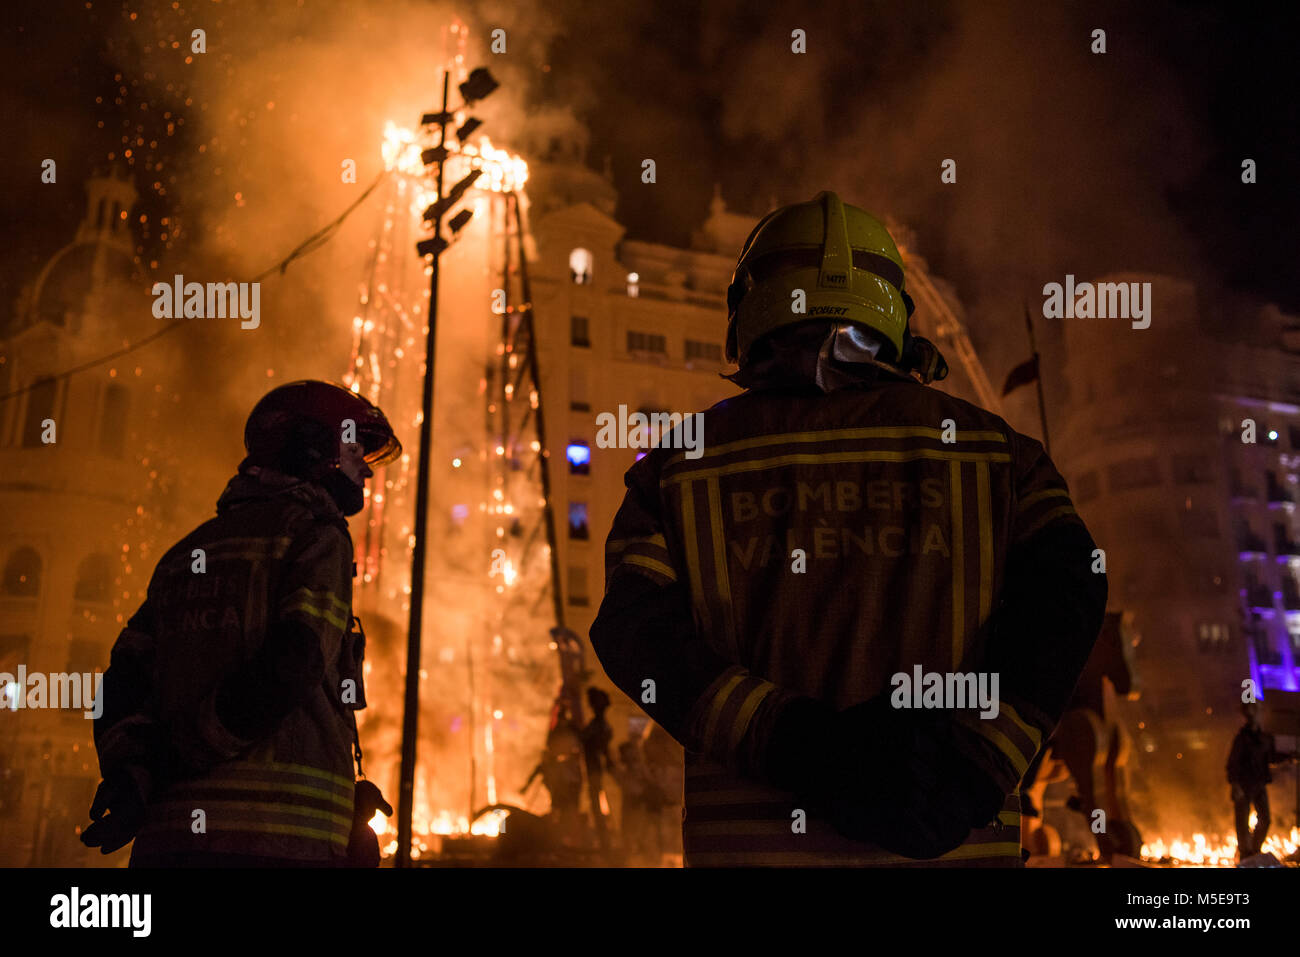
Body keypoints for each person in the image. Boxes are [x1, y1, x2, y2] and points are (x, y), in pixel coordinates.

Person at [590, 192, 1108, 866]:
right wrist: (973, 765)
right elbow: (1070, 596)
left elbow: (635, 633)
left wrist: (795, 742)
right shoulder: (1001, 457)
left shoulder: (676, 469)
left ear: (749, 311)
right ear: (893, 314)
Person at [81, 380, 401, 866]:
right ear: (315, 448)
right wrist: (188, 750)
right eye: (355, 448)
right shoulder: (316, 536)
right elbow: (295, 664)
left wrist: (135, 774)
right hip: (279, 845)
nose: (367, 473)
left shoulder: (186, 553)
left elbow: (121, 682)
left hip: (168, 845)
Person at [1227, 701, 1295, 860]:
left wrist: (1289, 756)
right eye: (1249, 713)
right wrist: (1235, 784)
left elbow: (1270, 757)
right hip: (1243, 784)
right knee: (1242, 821)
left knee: (1265, 818)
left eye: (1255, 712)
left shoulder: (1265, 738)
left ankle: (1254, 850)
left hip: (1259, 783)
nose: (1253, 716)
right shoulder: (1241, 739)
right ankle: (1245, 852)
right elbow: (1233, 764)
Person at [580, 687, 615, 850]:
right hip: (593, 770)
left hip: (595, 771)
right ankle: (604, 841)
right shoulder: (599, 726)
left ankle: (605, 842)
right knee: (597, 805)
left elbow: (603, 750)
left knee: (598, 805)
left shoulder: (599, 727)